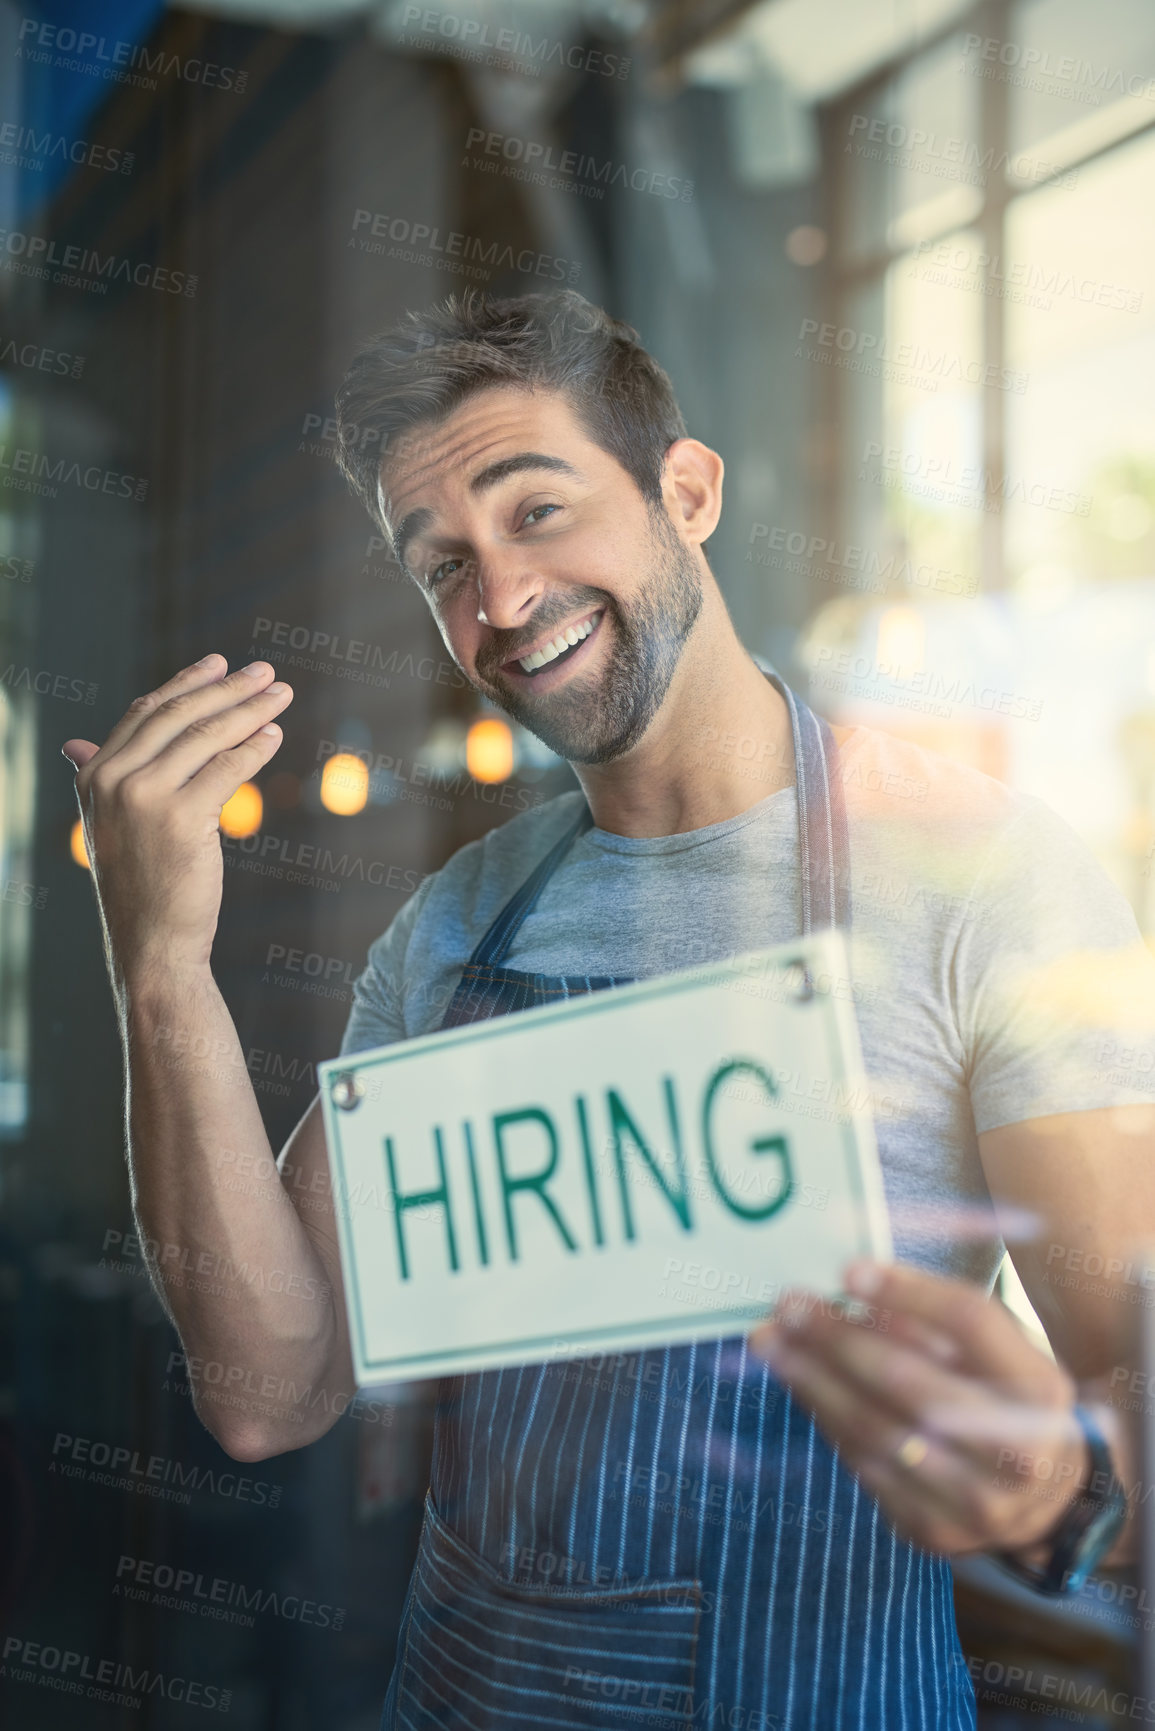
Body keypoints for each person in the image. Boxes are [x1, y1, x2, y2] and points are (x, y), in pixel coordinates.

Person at [64, 288, 1155, 1730]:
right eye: (441, 563)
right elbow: (273, 1390)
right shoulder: (452, 928)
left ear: (685, 493)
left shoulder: (983, 879)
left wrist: (1062, 1485)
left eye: (537, 513)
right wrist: (160, 966)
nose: (501, 602)